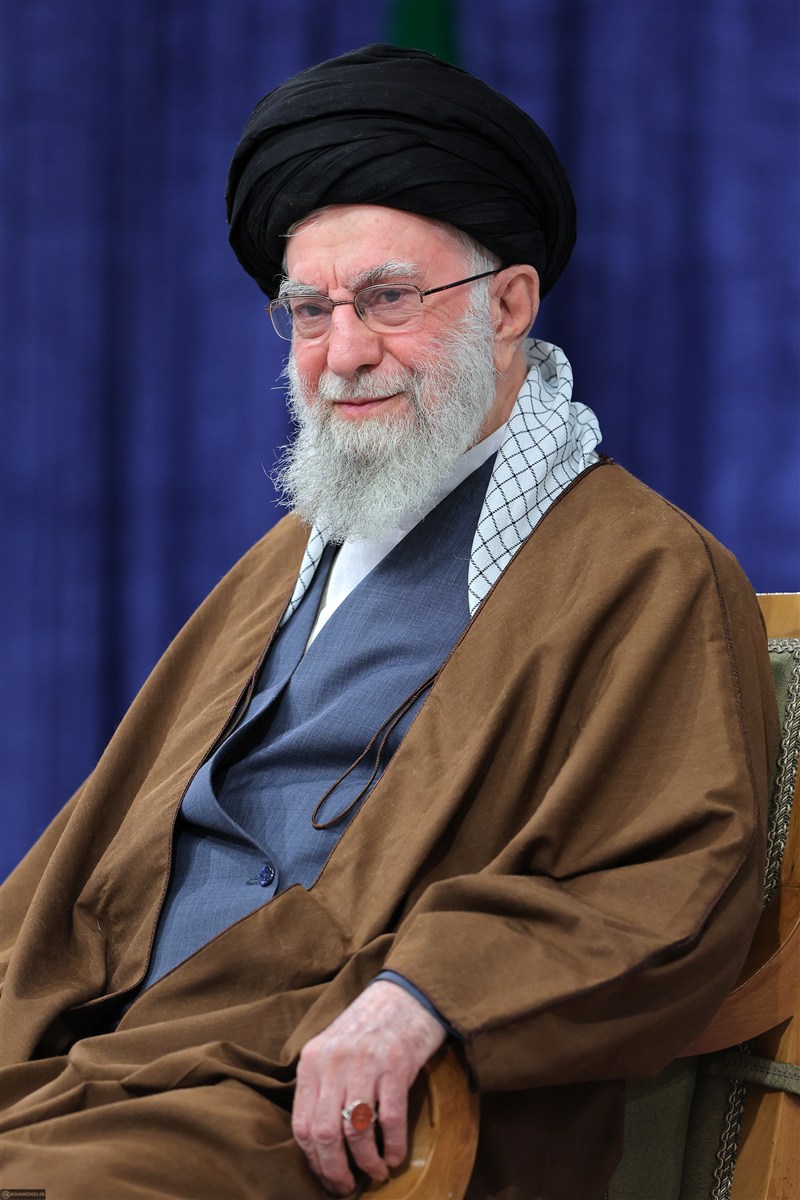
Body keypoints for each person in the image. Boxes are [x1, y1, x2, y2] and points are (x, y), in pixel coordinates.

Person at [0, 44, 777, 1200]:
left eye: (388, 299)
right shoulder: (287, 556)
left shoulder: (644, 570)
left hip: (316, 1103)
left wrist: (422, 996)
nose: (343, 353)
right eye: (309, 312)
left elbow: (669, 886)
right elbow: (90, 858)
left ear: (508, 305)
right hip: (107, 1053)